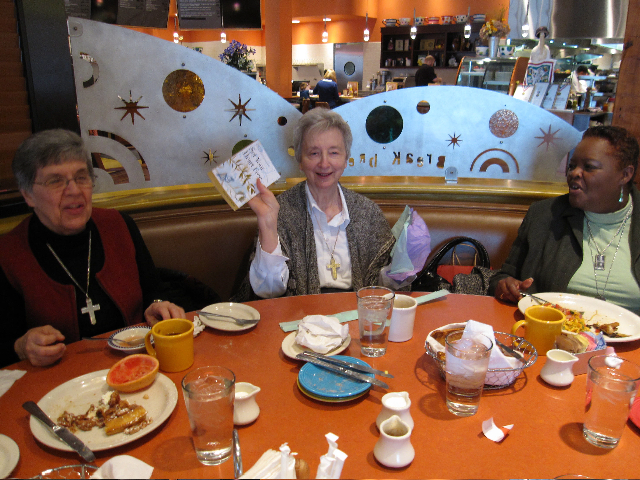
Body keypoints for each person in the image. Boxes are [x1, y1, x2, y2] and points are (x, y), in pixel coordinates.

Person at [0, 129, 186, 367]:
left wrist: (157, 305)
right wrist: (21, 346)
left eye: (81, 177)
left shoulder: (119, 226)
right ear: (28, 195)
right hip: (59, 381)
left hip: (137, 366)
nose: (75, 190)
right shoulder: (8, 255)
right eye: (55, 181)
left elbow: (153, 290)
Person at [235, 108, 428, 299]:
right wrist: (268, 225)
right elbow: (269, 292)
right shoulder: (281, 211)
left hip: (358, 313)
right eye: (314, 153)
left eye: (334, 152)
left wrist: (403, 266)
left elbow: (382, 288)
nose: (324, 163)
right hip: (301, 315)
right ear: (300, 161)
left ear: (346, 159)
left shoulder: (368, 213)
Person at [489, 126, 640, 313]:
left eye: (589, 167)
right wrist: (506, 286)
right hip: (553, 327)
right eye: (572, 166)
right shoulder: (546, 215)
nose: (574, 173)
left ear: (625, 174)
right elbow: (503, 278)